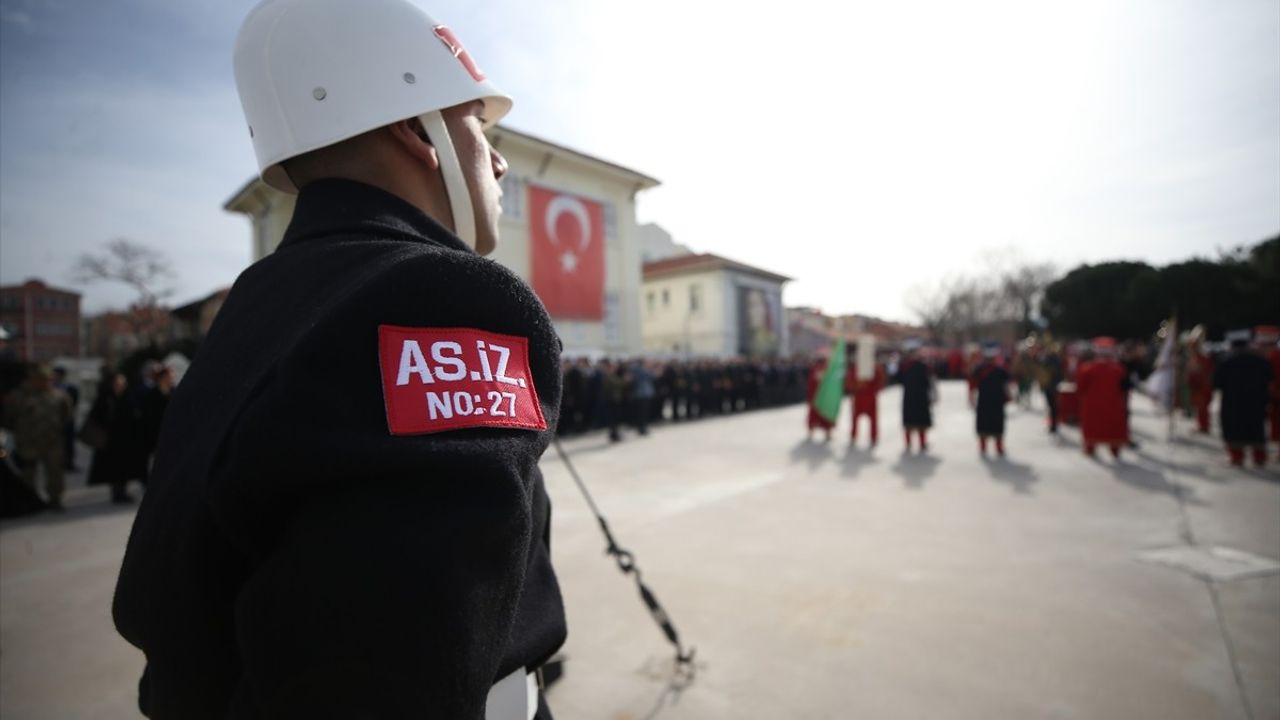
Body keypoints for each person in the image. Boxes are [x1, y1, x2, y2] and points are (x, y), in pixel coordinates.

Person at [113, 2, 565, 717]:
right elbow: (393, 677)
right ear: (418, 129)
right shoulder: (441, 298)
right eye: (480, 124)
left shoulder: (256, 303)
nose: (499, 157)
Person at [1, 365, 72, 510]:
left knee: (55, 473)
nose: (45, 382)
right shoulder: (18, 396)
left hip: (52, 442)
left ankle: (55, 500)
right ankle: (29, 502)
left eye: (48, 379)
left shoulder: (59, 395)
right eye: (41, 379)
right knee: (27, 475)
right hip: (27, 442)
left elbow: (67, 416)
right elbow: (7, 419)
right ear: (32, 380)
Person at [1213, 329, 1273, 467]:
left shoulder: (1226, 362)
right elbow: (1269, 379)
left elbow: (1217, 383)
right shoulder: (1260, 360)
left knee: (1234, 429)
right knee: (1256, 428)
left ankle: (1236, 457)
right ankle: (1259, 457)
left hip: (1232, 403)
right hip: (1256, 402)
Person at [1076, 337, 1129, 459]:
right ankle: (1114, 449)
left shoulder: (1087, 368)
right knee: (1113, 426)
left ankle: (1090, 448)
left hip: (1092, 404)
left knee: (1092, 425)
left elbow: (1081, 387)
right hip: (1113, 403)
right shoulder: (1118, 369)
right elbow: (1124, 388)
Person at [969, 343, 1012, 456]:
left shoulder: (982, 370)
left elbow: (972, 386)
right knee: (993, 424)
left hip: (989, 401)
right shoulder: (998, 371)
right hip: (992, 401)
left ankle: (992, 447)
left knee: (990, 424)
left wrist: (971, 398)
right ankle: (991, 447)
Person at [896, 340, 935, 452]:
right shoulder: (923, 366)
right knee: (918, 421)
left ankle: (913, 443)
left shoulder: (904, 366)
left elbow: (898, 379)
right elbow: (928, 383)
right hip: (920, 398)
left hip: (910, 397)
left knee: (912, 421)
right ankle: (918, 443)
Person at [844, 344, 885, 448]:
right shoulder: (855, 368)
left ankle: (873, 437)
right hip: (859, 397)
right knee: (855, 419)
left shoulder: (875, 367)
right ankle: (854, 436)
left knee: (873, 420)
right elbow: (848, 382)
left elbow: (880, 382)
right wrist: (857, 386)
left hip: (870, 397)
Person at [1184, 327, 1215, 434]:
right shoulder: (1197, 357)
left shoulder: (1203, 358)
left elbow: (1203, 371)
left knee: (1202, 407)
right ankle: (1201, 424)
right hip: (1199, 385)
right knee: (1200, 407)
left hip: (1203, 385)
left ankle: (1204, 426)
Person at [52, 366, 80, 470]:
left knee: (69, 443)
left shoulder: (70, 388)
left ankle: (69, 463)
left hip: (68, 420)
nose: (55, 377)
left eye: (56, 375)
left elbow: (75, 402)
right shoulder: (50, 388)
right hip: (53, 421)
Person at [1037, 341, 1065, 434]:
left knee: (1052, 406)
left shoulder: (1051, 359)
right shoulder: (1050, 359)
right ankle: (1053, 424)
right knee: (1052, 406)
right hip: (1050, 385)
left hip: (1051, 386)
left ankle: (1054, 425)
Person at [806, 354, 835, 441]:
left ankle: (811, 433)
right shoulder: (827, 369)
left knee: (814, 415)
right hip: (824, 397)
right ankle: (827, 434)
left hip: (815, 396)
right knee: (825, 415)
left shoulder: (816, 368)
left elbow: (810, 384)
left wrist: (809, 396)